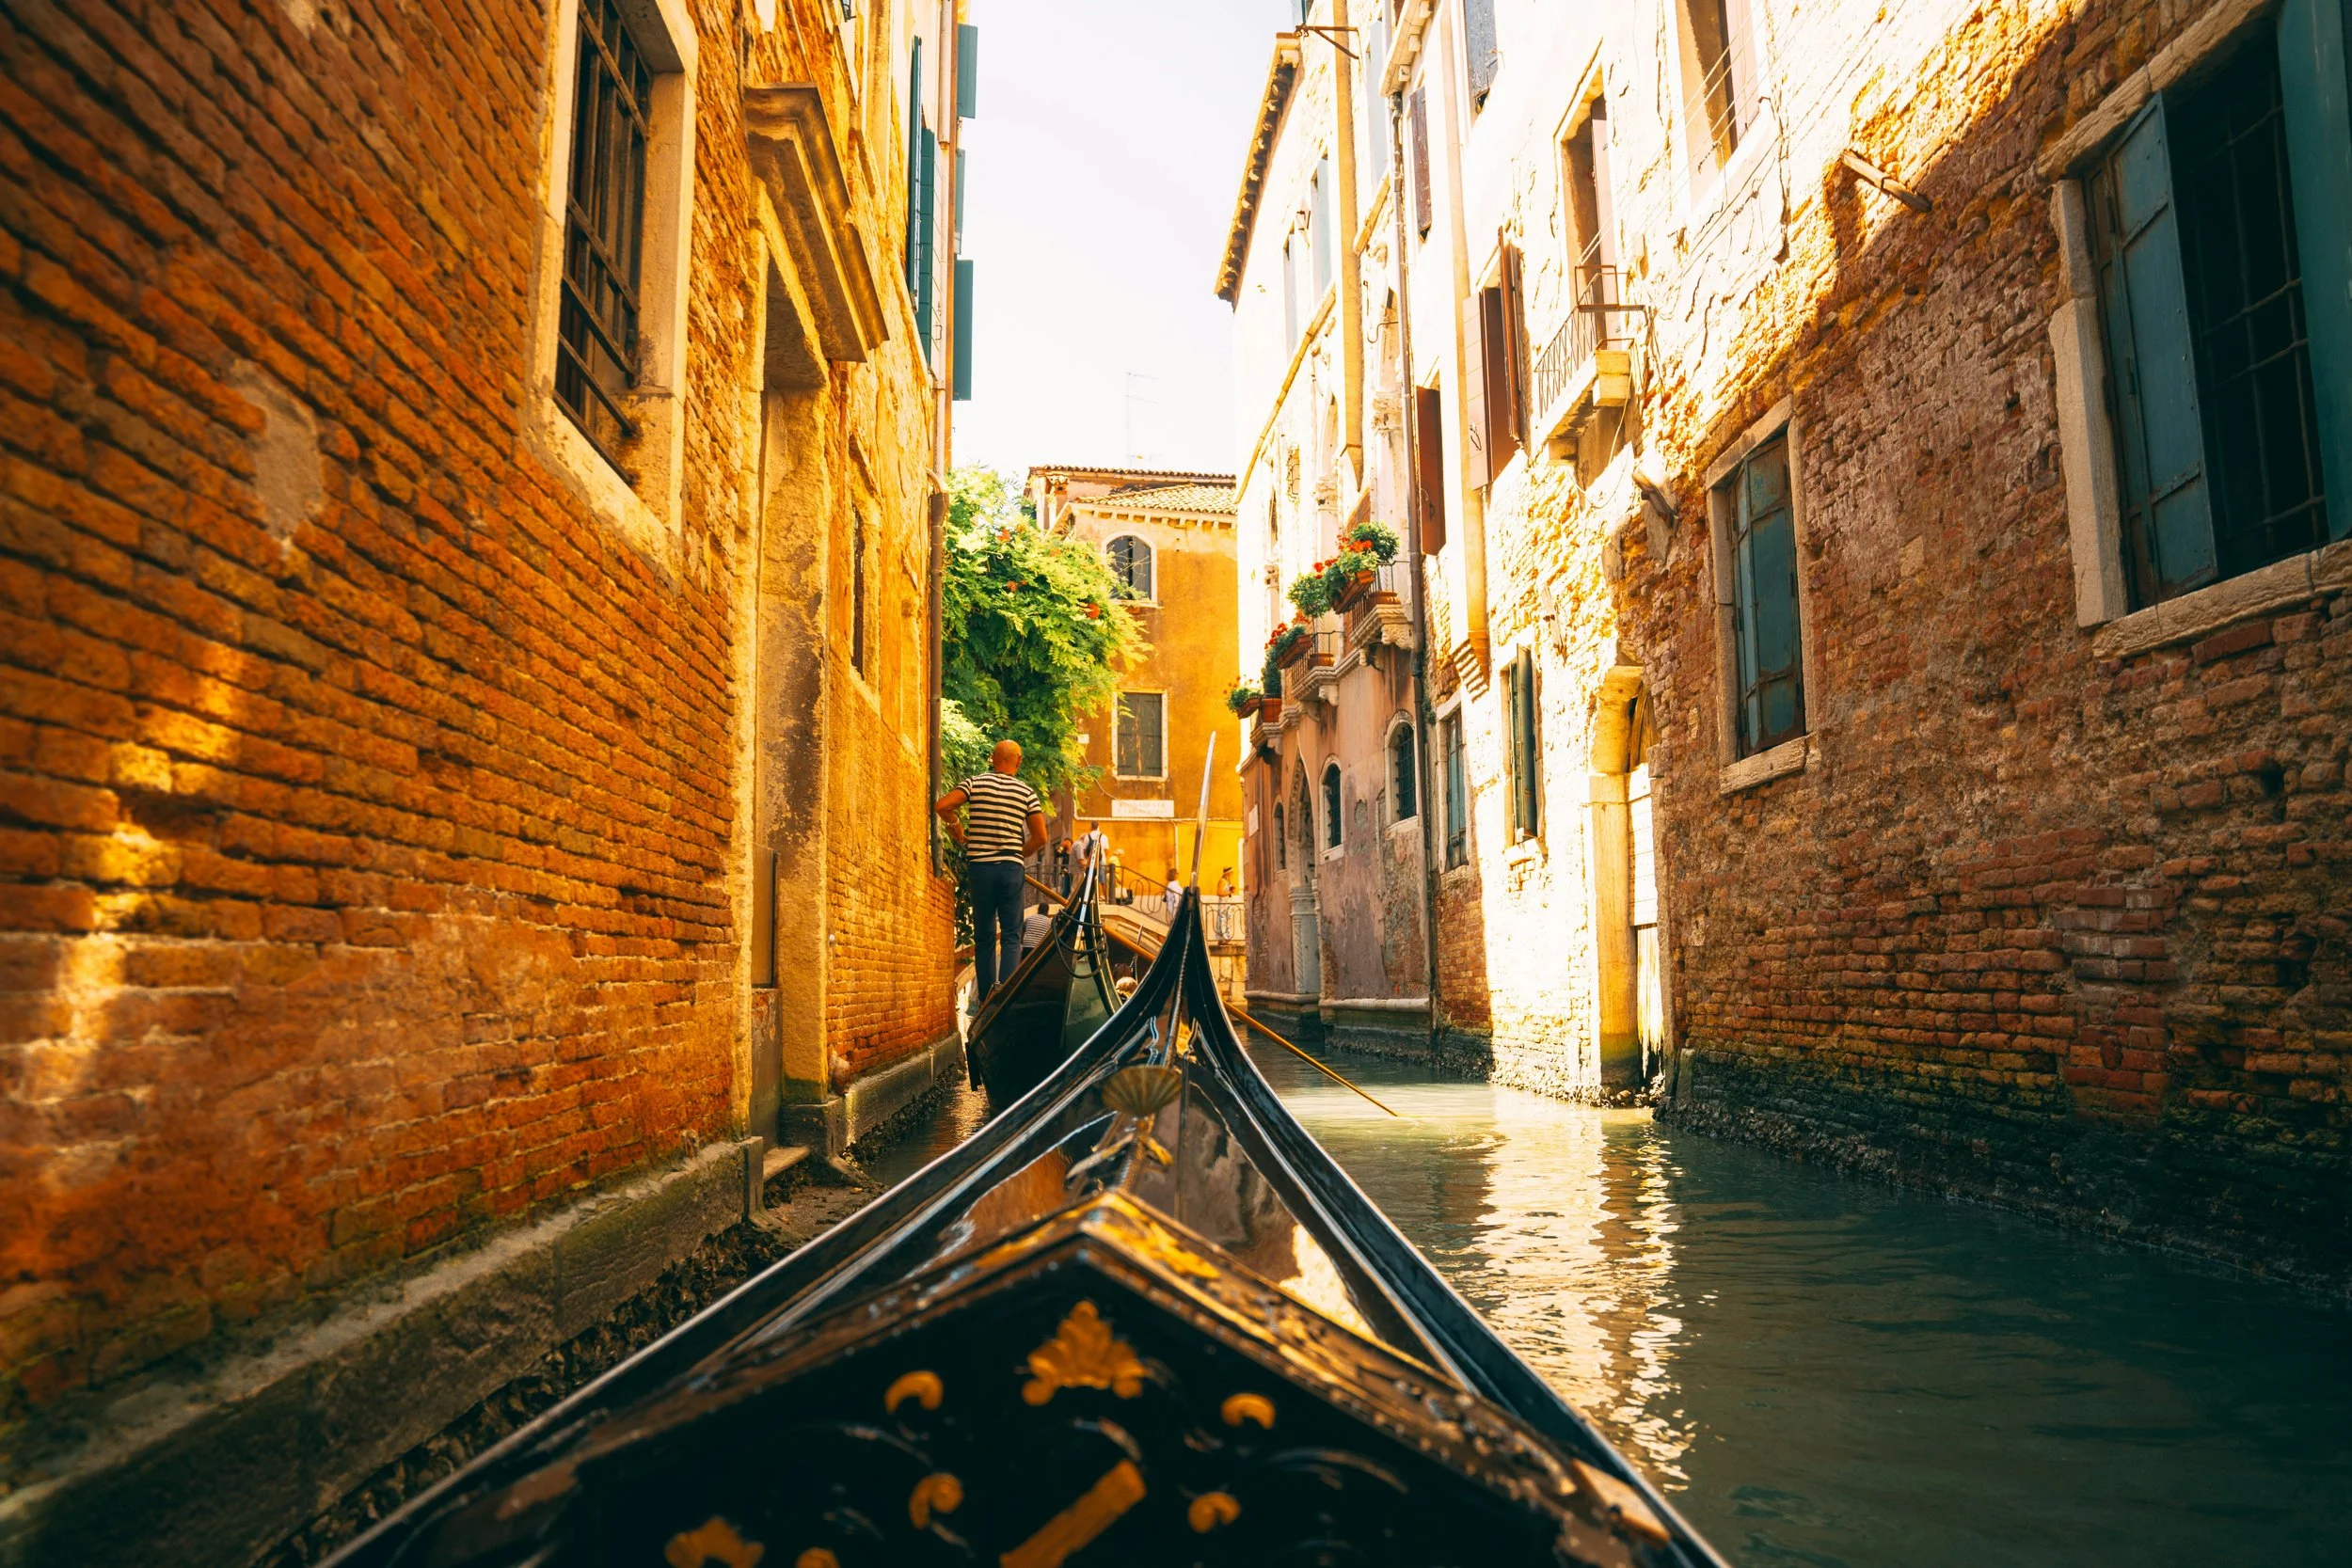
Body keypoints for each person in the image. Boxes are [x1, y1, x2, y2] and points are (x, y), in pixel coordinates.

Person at [933, 739, 1048, 995]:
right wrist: (1019, 853)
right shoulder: (1026, 792)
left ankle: (986, 998)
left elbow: (942, 806)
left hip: (981, 869)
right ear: (1018, 761)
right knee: (1011, 936)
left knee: (984, 937)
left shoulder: (975, 783)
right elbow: (1040, 838)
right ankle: (1003, 996)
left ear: (993, 759)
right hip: (1010, 869)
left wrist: (956, 827)